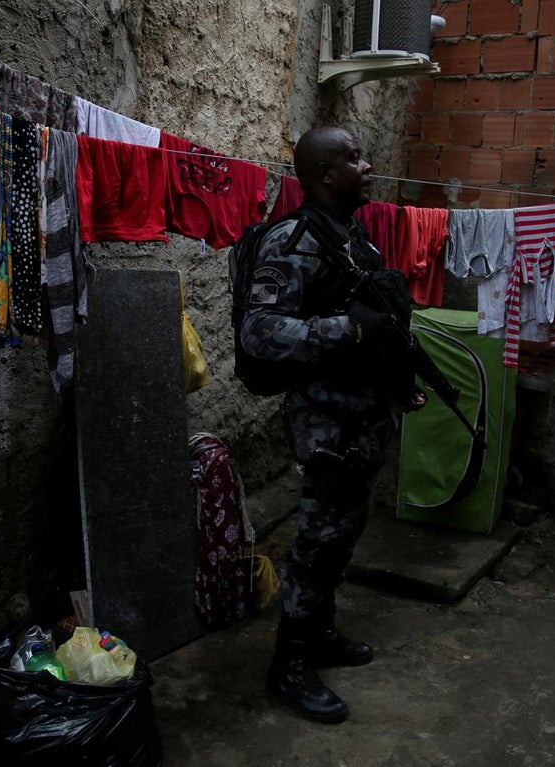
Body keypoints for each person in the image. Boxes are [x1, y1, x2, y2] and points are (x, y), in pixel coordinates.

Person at [239, 126, 424, 723]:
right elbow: (260, 332)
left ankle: (318, 634)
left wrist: (398, 378)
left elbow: (378, 317)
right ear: (323, 174)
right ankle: (289, 663)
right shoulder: (294, 241)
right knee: (316, 544)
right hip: (327, 421)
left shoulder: (352, 237)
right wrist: (349, 331)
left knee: (342, 537)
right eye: (353, 159)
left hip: (365, 416)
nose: (367, 166)